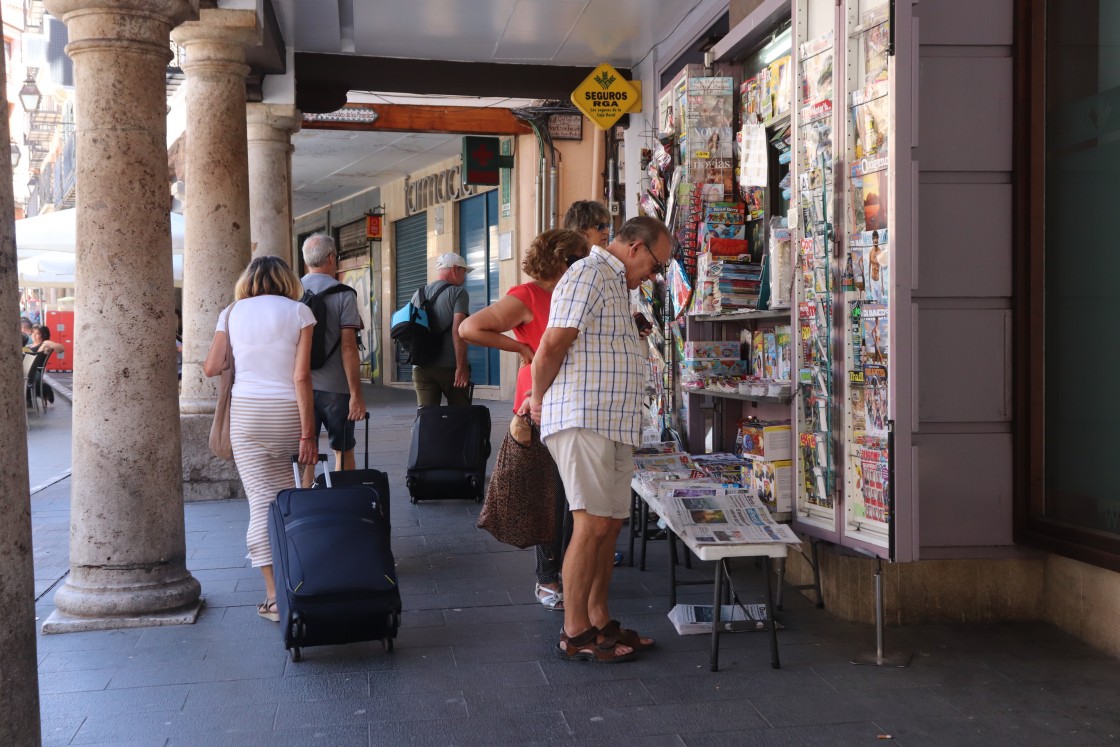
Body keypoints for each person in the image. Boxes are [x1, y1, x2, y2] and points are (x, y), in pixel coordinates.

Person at [526, 216, 671, 663]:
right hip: (584, 418)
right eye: (655, 265)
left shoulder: (616, 285)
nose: (654, 275)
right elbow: (552, 345)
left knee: (608, 525)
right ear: (636, 248)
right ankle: (574, 631)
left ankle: (599, 618)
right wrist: (536, 400)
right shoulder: (587, 273)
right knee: (589, 523)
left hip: (614, 421)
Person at [459, 229, 590, 610]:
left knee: (572, 493)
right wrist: (519, 345)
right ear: (564, 260)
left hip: (574, 401)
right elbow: (470, 328)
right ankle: (548, 577)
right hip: (539, 404)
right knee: (551, 492)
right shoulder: (528, 296)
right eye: (579, 258)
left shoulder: (575, 292)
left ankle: (569, 568)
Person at [202, 255, 318, 623]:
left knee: (260, 503)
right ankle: (298, 578)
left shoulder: (231, 312)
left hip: (248, 413)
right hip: (287, 411)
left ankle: (274, 598)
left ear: (247, 281)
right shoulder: (300, 313)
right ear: (286, 280)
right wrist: (308, 433)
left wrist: (244, 358)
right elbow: (302, 377)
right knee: (286, 498)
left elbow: (211, 366)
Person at [299, 233, 367, 481]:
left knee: (305, 453)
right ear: (331, 258)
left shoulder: (291, 291)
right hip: (336, 389)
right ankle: (343, 502)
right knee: (344, 449)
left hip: (300, 386)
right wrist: (356, 395)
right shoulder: (344, 294)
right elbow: (349, 348)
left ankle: (303, 505)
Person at [411, 252, 473, 407]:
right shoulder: (458, 293)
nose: (464, 278)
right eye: (463, 272)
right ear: (454, 269)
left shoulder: (418, 294)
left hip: (421, 367)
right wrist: (461, 367)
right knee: (460, 418)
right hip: (449, 367)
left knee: (427, 419)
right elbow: (458, 331)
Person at [26, 325, 65, 407]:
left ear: (44, 335)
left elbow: (61, 349)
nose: (34, 335)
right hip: (26, 370)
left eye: (37, 334)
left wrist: (46, 342)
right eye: (33, 333)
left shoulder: (44, 345)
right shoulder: (29, 345)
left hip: (34, 372)